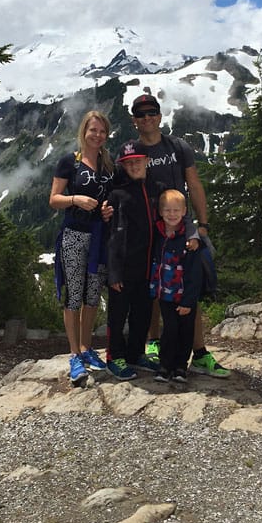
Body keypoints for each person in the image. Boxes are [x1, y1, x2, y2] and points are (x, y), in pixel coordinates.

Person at [131, 93, 230, 378]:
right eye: (141, 114)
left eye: (152, 113)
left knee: (190, 289)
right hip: (150, 230)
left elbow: (194, 184)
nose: (147, 118)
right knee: (154, 288)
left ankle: (198, 352)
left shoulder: (178, 146)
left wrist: (202, 225)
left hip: (181, 228)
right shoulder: (132, 151)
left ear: (160, 117)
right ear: (134, 120)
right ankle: (154, 343)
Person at [49, 110, 113, 386]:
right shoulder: (70, 162)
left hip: (100, 235)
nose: (97, 135)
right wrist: (75, 199)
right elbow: (54, 199)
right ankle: (74, 353)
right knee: (73, 295)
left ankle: (87, 349)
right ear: (83, 132)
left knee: (91, 295)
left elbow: (112, 196)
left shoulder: (108, 163)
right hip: (74, 234)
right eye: (93, 130)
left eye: (102, 131)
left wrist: (109, 209)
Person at [104, 140, 162, 381]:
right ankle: (114, 357)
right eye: (129, 163)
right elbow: (114, 236)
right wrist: (114, 272)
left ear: (147, 161)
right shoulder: (118, 194)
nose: (134, 165)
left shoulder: (158, 189)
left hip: (149, 266)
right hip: (124, 266)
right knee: (118, 314)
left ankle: (135, 353)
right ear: (123, 166)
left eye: (138, 160)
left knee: (143, 313)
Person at [151, 189, 203, 382]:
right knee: (170, 329)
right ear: (161, 211)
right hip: (165, 294)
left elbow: (195, 273)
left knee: (186, 331)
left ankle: (181, 366)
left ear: (184, 212)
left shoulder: (190, 240)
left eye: (176, 210)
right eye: (167, 210)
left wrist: (189, 300)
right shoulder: (158, 233)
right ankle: (165, 365)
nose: (171, 214)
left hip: (185, 296)